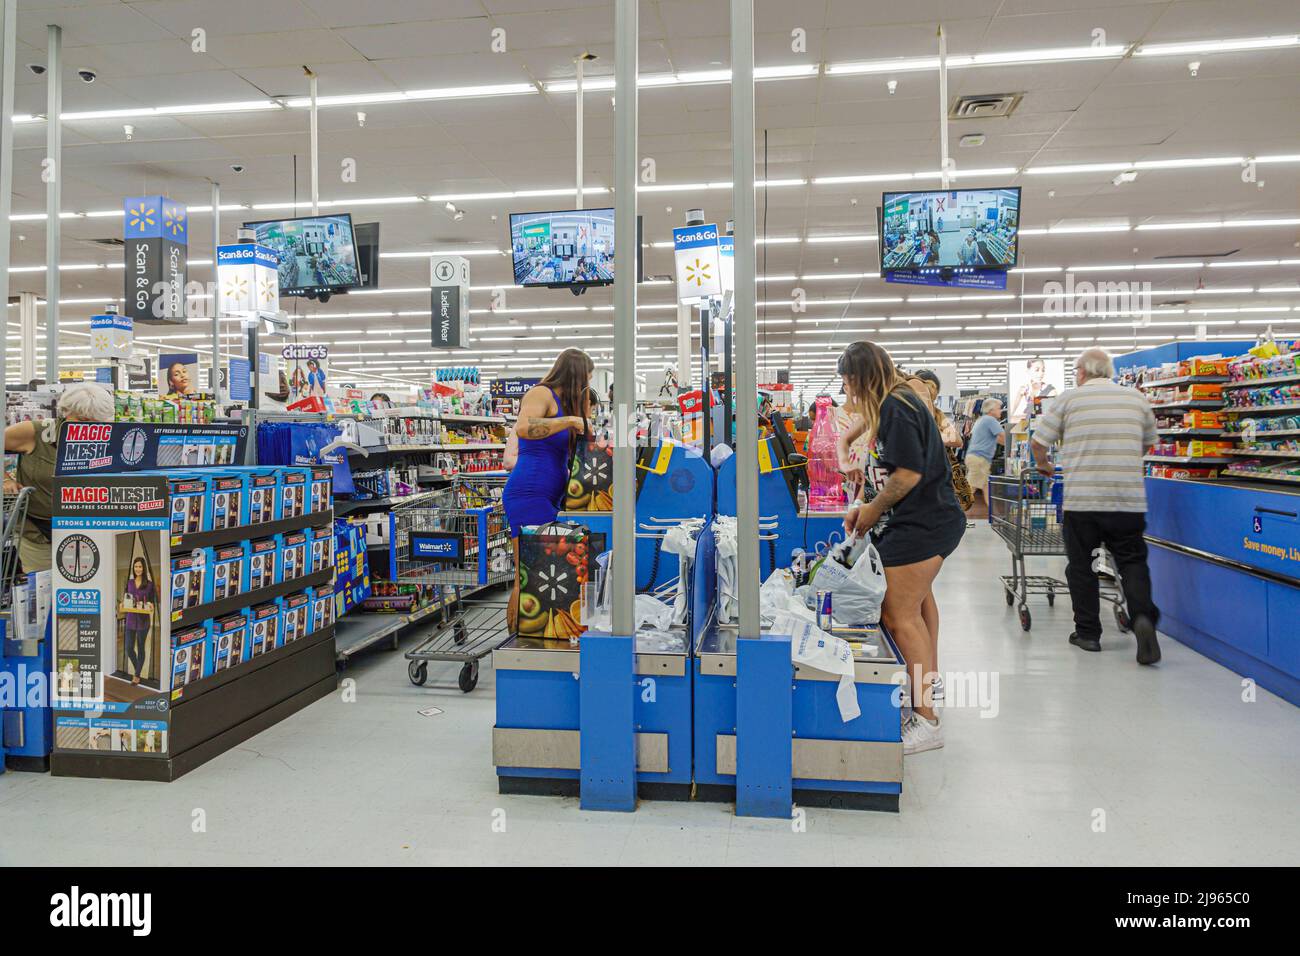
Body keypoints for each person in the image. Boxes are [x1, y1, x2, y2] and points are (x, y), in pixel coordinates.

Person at [836, 342, 966, 754]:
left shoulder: (897, 407)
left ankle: (927, 721)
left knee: (898, 615)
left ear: (861, 376)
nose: (845, 388)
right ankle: (924, 692)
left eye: (846, 379)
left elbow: (907, 475)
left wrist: (871, 510)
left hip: (924, 524)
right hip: (920, 523)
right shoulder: (891, 403)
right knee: (915, 609)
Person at [1031, 348, 1161, 664]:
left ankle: (1088, 634)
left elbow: (1038, 441)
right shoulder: (1135, 399)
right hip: (1127, 500)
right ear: (1110, 371)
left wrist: (1044, 464)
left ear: (1081, 372)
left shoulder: (1069, 399)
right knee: (1131, 562)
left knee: (1084, 566)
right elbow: (1148, 443)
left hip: (1083, 502)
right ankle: (1142, 617)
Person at [502, 348, 594, 632]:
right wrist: (570, 421)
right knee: (527, 574)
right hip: (529, 493)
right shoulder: (540, 393)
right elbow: (525, 428)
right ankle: (516, 641)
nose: (587, 385)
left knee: (544, 575)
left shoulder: (571, 404)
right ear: (575, 374)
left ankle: (530, 637)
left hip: (551, 495)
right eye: (586, 379)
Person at [3, 382, 115, 573]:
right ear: (66, 412)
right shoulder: (36, 432)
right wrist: (5, 479)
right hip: (37, 531)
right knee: (43, 590)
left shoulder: (106, 437)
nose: (88, 428)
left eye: (95, 422)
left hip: (85, 531)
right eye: (82, 420)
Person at [907, 369, 973, 512]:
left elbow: (957, 440)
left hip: (934, 476)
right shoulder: (903, 410)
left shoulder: (937, 414)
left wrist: (927, 436)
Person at [964, 397, 1004, 517]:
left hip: (975, 457)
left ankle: (994, 514)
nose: (1001, 411)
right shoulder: (990, 420)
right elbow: (1003, 436)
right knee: (971, 488)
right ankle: (955, 515)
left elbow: (996, 439)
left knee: (986, 487)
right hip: (979, 458)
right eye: (999, 408)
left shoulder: (982, 420)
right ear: (991, 410)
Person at [120, 557, 157, 686]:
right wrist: (122, 604)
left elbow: (151, 600)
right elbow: (126, 597)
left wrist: (151, 605)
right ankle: (138, 669)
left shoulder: (149, 584)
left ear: (144, 568)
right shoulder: (130, 583)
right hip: (130, 620)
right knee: (129, 648)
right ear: (133, 568)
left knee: (141, 648)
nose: (138, 569)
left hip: (143, 621)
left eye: (140, 566)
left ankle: (136, 675)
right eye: (136, 566)